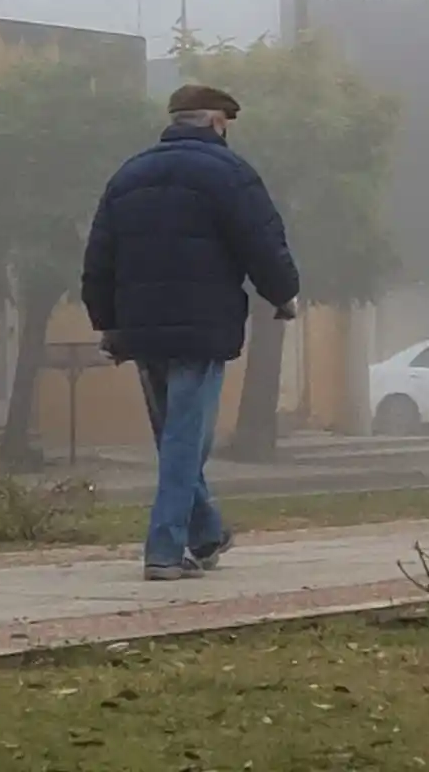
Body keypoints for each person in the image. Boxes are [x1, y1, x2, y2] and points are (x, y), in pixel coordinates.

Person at [82, 83, 300, 581]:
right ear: (217, 122)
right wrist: (284, 294)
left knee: (173, 437)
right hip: (201, 327)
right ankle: (164, 550)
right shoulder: (230, 173)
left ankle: (205, 533)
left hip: (140, 328)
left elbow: (99, 257)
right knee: (185, 440)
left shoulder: (128, 175)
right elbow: (261, 241)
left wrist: (107, 322)